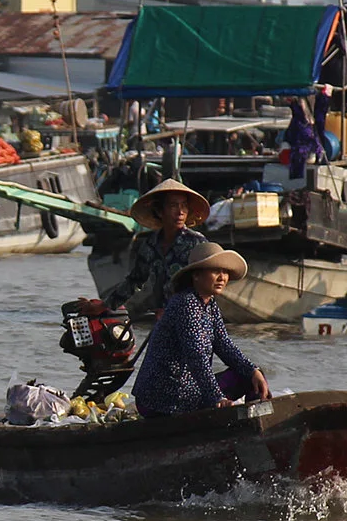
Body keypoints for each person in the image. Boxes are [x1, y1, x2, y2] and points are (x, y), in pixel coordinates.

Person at [131, 241, 269, 418]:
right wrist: (216, 397)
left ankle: (257, 420)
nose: (222, 277)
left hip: (188, 392)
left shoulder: (209, 304)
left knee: (252, 377)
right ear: (196, 276)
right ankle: (245, 428)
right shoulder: (186, 303)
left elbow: (224, 345)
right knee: (247, 379)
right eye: (215, 271)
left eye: (225, 272)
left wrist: (253, 370)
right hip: (163, 399)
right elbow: (196, 356)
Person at [103, 177, 212, 310]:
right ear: (160, 211)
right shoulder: (150, 245)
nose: (180, 212)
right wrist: (105, 305)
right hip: (162, 317)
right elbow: (135, 281)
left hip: (192, 316)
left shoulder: (196, 242)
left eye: (184, 205)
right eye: (173, 206)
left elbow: (208, 284)